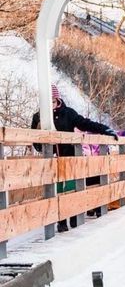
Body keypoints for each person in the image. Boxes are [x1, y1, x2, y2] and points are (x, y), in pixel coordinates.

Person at [31, 84, 118, 231]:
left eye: (52, 101)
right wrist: (42, 143)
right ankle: (61, 221)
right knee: (57, 190)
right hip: (52, 159)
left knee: (71, 188)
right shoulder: (38, 117)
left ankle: (73, 218)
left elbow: (85, 124)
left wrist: (104, 129)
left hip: (70, 156)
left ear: (57, 99)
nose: (50, 105)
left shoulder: (68, 113)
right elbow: (36, 143)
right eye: (47, 101)